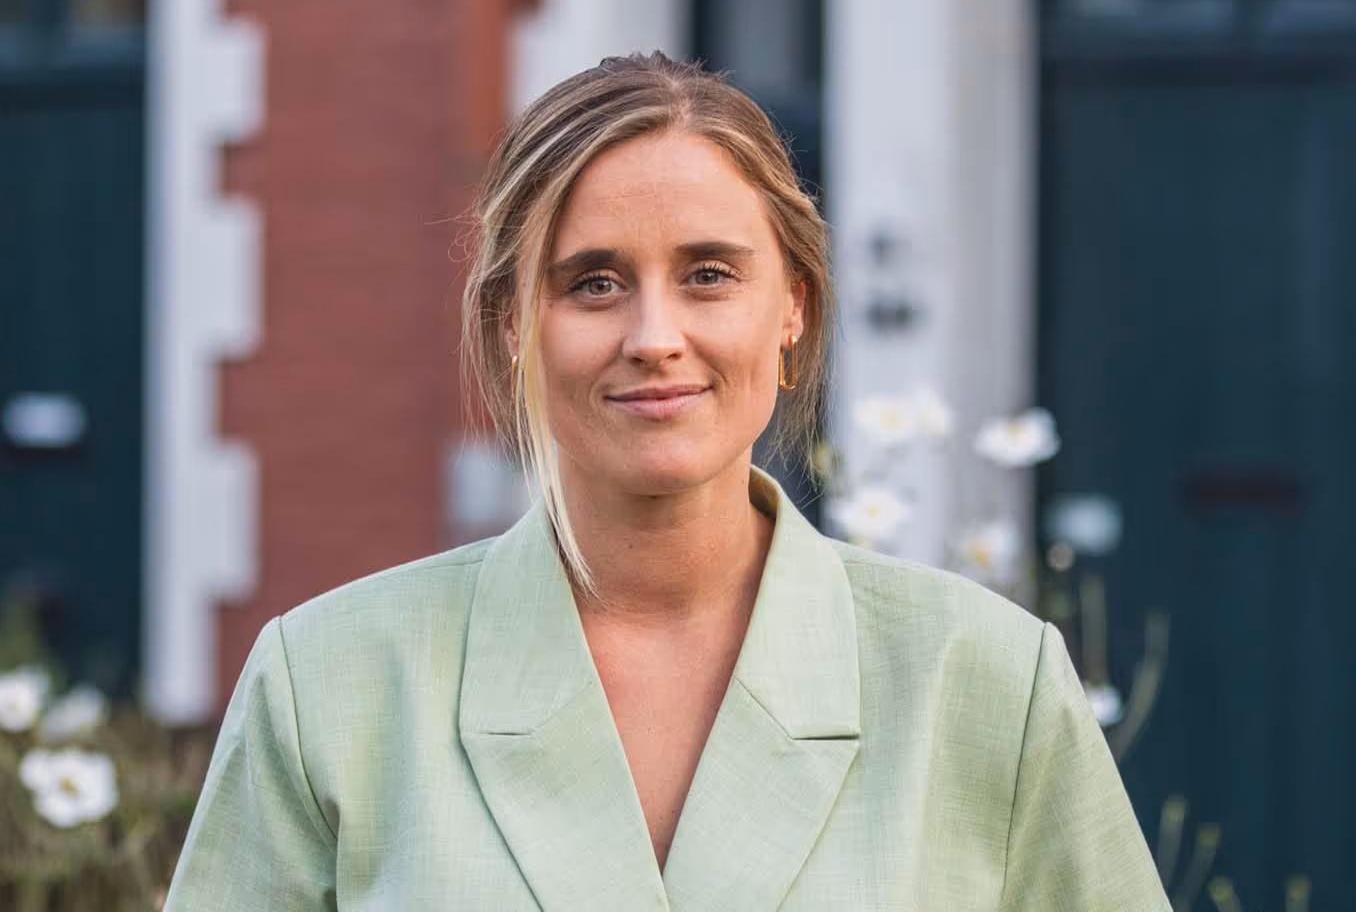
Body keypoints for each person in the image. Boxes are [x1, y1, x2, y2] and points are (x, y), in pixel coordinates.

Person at [162, 52, 1171, 910]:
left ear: (792, 308)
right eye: (593, 282)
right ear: (515, 326)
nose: (654, 337)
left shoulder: (986, 682)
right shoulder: (327, 686)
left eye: (709, 275)